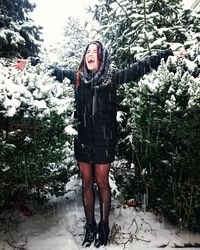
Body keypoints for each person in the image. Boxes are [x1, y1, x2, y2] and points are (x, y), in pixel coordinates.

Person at [12, 41, 187, 248]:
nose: (90, 54)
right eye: (87, 51)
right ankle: (90, 225)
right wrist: (31, 63)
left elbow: (140, 67)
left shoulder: (112, 79)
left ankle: (104, 225)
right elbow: (54, 70)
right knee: (86, 183)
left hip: (104, 140)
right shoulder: (78, 78)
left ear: (102, 57)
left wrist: (167, 53)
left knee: (102, 183)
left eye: (95, 51)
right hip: (83, 139)